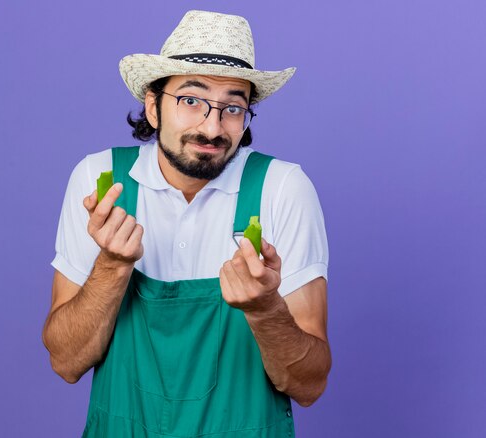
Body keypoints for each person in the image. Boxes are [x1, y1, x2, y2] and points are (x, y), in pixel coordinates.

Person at [43, 10, 331, 437]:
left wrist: (265, 309)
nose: (212, 126)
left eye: (233, 107)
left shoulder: (282, 188)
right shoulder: (99, 181)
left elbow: (309, 384)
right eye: (191, 100)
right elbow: (65, 362)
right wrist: (112, 266)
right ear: (153, 106)